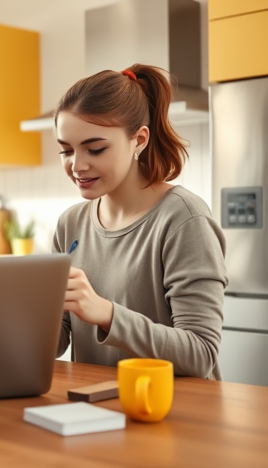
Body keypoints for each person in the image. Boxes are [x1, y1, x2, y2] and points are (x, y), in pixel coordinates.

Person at [52, 64, 228, 379]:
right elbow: (59, 336)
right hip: (94, 406)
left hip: (174, 415)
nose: (77, 165)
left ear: (139, 140)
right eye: (66, 150)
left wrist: (106, 314)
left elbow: (200, 353)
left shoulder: (184, 219)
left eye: (95, 148)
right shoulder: (70, 224)